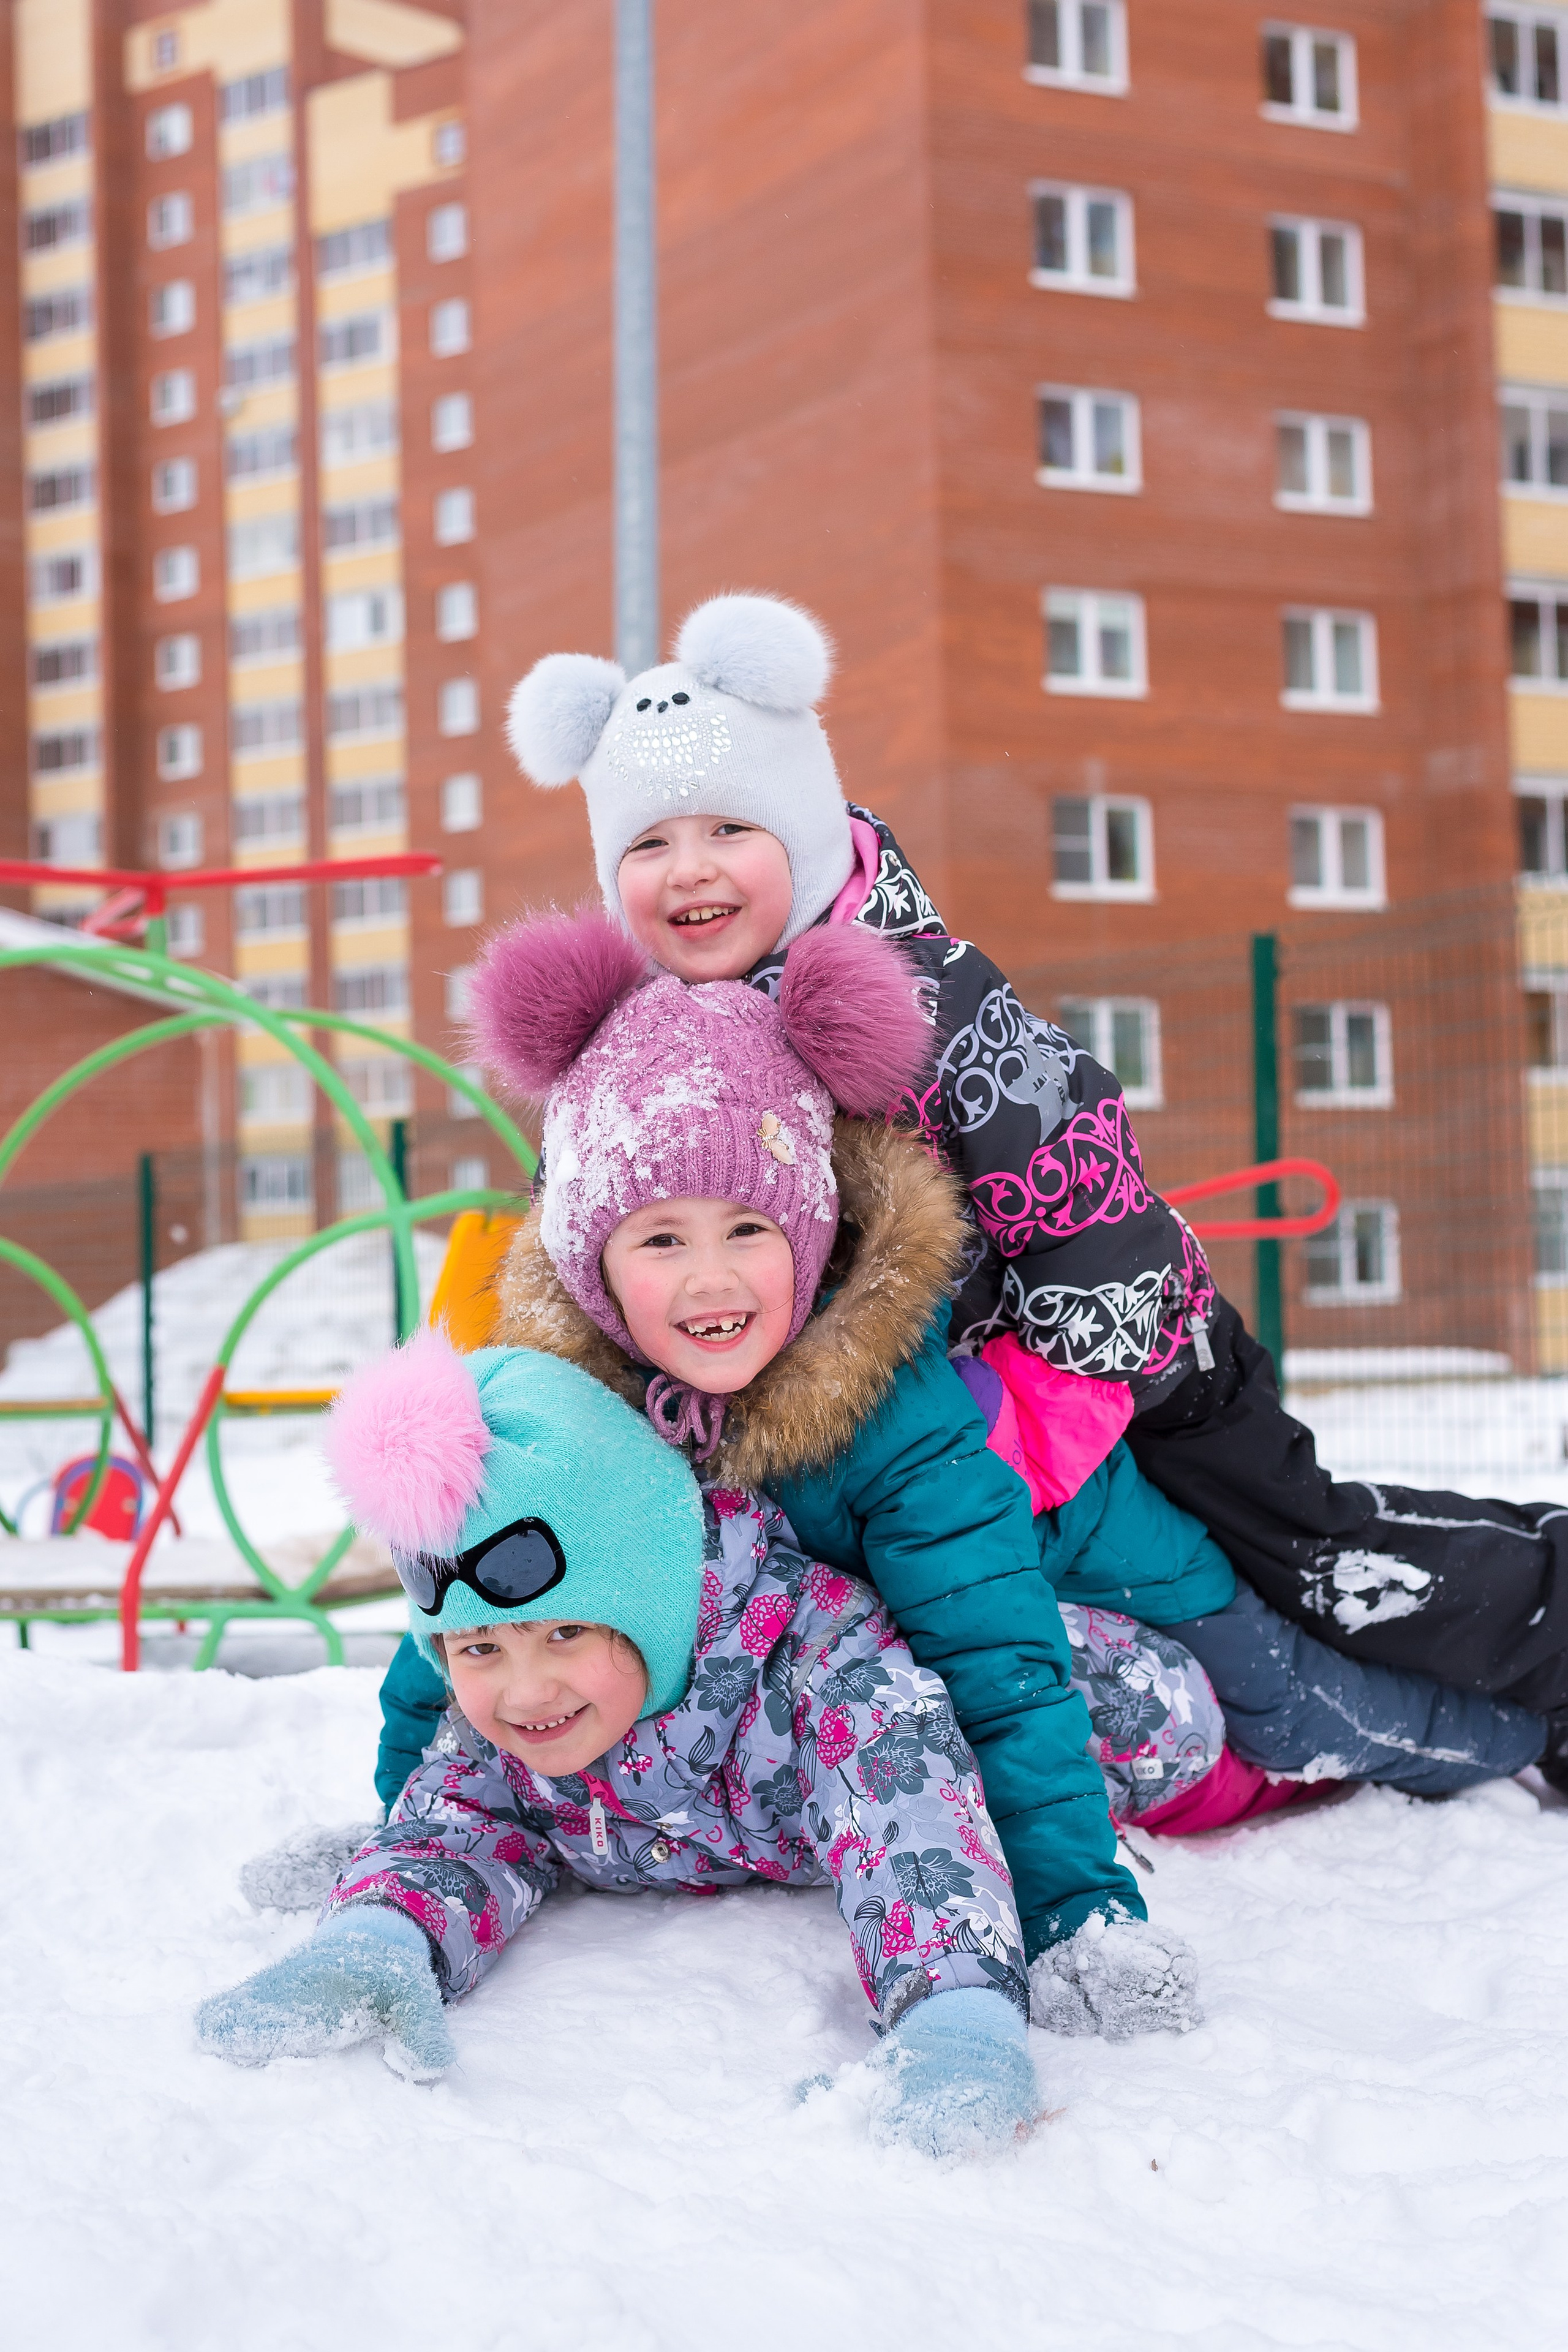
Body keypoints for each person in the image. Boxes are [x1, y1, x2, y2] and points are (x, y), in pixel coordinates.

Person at [371, 912, 1540, 1997]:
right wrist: (403, 1819)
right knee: (1225, 1742)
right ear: (590, 1262)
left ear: (815, 1232)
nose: (712, 1279)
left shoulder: (890, 1415)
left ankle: (1525, 1730)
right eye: (661, 1238)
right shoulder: (574, 1407)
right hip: (1033, 1623)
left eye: (750, 1231)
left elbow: (998, 1662)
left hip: (1108, 1564)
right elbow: (472, 1594)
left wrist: (1077, 1910)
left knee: (1291, 1713)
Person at [499, 590, 1568, 1764]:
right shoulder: (640, 1050)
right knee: (1212, 1628)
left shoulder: (934, 997)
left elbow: (1096, 1222)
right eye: (648, 844)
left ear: (802, 832)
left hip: (1136, 1372)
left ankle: (1550, 1631)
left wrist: (1024, 1434)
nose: (689, 871)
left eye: (729, 831)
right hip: (942, 1420)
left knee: (1312, 1565)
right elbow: (586, 1232)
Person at [197, 1341, 1041, 2160]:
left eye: (565, 1631)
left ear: (652, 1600)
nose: (526, 1692)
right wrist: (376, 1937)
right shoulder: (509, 1728)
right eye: (479, 1648)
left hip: (1126, 1700)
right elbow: (455, 1826)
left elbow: (914, 1824)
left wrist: (957, 2023)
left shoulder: (818, 1666)